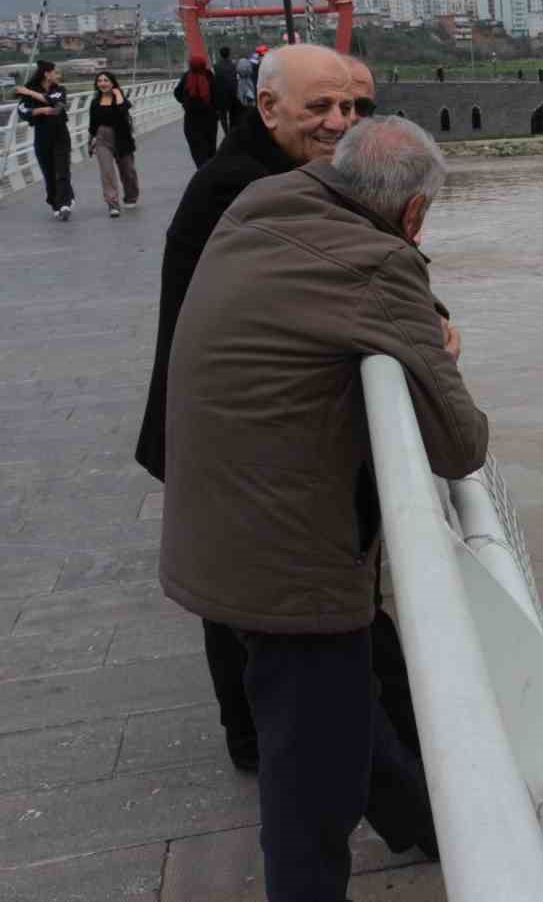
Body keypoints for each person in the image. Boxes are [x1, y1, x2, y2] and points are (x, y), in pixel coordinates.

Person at [161, 116, 480, 901]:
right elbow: (460, 443)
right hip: (290, 566)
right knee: (310, 791)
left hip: (218, 526)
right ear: (413, 213)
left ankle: (424, 824)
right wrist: (436, 346)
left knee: (340, 713)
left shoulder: (264, 203)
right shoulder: (376, 263)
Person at [136, 43, 364, 769]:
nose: (340, 121)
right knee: (232, 592)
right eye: (320, 107)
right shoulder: (242, 187)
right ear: (267, 108)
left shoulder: (264, 170)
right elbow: (335, 281)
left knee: (230, 584)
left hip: (220, 420)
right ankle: (255, 741)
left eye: (350, 107)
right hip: (221, 426)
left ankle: (264, 736)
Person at [14, 61, 75, 221]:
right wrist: (40, 110)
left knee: (62, 170)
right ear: (47, 74)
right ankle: (55, 203)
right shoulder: (29, 93)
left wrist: (29, 92)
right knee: (49, 173)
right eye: (56, 72)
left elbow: (55, 104)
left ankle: (65, 204)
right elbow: (23, 111)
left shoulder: (60, 90)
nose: (58, 76)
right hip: (42, 136)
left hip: (60, 135)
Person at [88, 71, 140, 217]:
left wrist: (117, 94)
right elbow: (93, 124)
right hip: (102, 138)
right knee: (107, 172)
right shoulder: (95, 102)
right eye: (100, 81)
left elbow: (123, 109)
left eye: (106, 80)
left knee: (128, 171)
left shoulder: (120, 99)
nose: (102, 83)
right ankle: (113, 204)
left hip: (122, 137)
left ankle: (131, 196)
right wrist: (90, 140)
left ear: (113, 83)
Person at [174, 56, 218, 167]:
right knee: (210, 150)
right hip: (210, 120)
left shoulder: (187, 77)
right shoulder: (209, 76)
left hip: (192, 121)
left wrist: (185, 102)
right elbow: (217, 95)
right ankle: (210, 171)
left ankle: (202, 171)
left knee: (197, 152)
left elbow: (177, 93)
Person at [213, 46, 240, 135]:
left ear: (220, 54)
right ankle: (233, 131)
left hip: (221, 94)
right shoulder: (233, 65)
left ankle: (226, 132)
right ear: (229, 54)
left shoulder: (216, 66)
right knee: (233, 114)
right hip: (232, 93)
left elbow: (216, 80)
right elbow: (235, 79)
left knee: (223, 115)